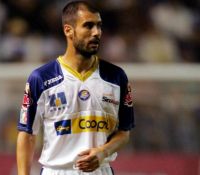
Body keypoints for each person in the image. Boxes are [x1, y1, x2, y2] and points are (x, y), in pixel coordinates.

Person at [16, 1, 134, 175]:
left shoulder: (116, 77)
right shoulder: (41, 78)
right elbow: (27, 135)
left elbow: (124, 133)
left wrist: (104, 152)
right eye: (88, 26)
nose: (96, 32)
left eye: (99, 26)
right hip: (57, 171)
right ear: (68, 30)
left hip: (101, 170)